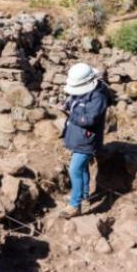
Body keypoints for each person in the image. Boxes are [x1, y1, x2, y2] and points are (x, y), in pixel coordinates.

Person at [58, 63, 110, 219]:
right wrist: (67, 104)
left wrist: (69, 113)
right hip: (79, 137)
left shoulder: (98, 96)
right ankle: (83, 194)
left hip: (87, 139)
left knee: (74, 170)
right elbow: (74, 100)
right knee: (82, 168)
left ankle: (75, 205)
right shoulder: (84, 90)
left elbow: (89, 120)